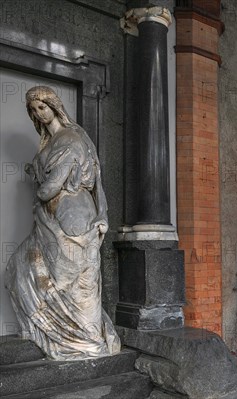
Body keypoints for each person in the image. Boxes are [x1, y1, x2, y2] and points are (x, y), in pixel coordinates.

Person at [5, 86, 120, 360]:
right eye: (33, 111)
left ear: (54, 106)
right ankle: (58, 333)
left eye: (42, 107)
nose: (38, 114)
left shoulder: (71, 139)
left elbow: (53, 189)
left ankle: (88, 342)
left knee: (77, 285)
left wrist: (102, 215)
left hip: (74, 219)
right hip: (52, 221)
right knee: (20, 268)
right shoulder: (49, 142)